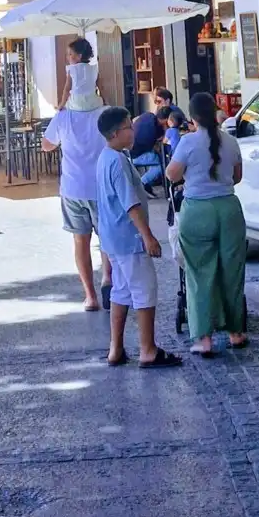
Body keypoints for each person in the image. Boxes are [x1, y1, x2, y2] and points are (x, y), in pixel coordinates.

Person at [95, 105, 180, 368]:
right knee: (144, 290)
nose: (133, 131)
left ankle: (116, 348)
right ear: (116, 133)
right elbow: (130, 202)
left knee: (121, 291)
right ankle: (148, 349)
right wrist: (148, 236)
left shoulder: (106, 158)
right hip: (128, 238)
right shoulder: (117, 162)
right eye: (129, 127)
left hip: (113, 238)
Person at [166, 91, 247, 356]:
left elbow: (172, 174)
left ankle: (204, 338)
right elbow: (237, 178)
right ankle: (236, 332)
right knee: (232, 272)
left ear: (192, 117)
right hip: (229, 209)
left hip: (197, 211)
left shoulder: (188, 142)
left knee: (199, 273)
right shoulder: (232, 141)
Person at [42, 97, 112, 310]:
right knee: (107, 237)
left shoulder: (63, 117)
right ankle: (108, 278)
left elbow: (46, 145)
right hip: (101, 185)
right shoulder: (105, 113)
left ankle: (90, 297)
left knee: (80, 241)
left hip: (73, 188)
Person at [131, 105, 173, 190]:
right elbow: (158, 146)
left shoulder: (148, 115)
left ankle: (147, 184)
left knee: (156, 158)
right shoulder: (151, 132)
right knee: (162, 164)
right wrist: (166, 129)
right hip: (134, 156)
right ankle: (142, 184)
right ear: (166, 120)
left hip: (130, 148)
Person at [58, 37, 103, 112]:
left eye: (70, 54)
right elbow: (101, 87)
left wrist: (62, 104)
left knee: (67, 107)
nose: (67, 57)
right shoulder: (93, 69)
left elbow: (67, 89)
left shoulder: (72, 70)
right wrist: (105, 100)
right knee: (99, 101)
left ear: (79, 56)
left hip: (76, 104)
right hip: (92, 103)